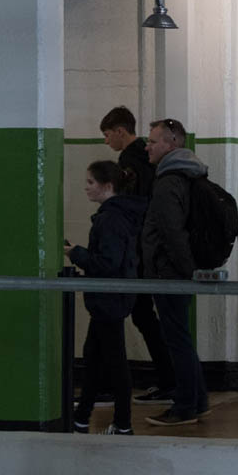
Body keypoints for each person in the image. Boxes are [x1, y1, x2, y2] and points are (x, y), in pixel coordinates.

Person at [100, 106, 176, 405]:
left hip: (137, 248)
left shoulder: (129, 159)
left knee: (139, 315)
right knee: (148, 317)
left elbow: (130, 204)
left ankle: (166, 381)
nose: (107, 142)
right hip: (152, 246)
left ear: (121, 131)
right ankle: (169, 380)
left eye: (108, 135)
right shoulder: (149, 159)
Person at [65, 161, 147, 435]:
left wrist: (76, 253)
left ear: (107, 186)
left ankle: (122, 423)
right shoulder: (118, 215)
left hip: (109, 298)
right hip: (112, 298)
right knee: (95, 356)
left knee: (112, 362)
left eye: (90, 182)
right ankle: (82, 416)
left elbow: (107, 263)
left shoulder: (110, 218)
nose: (85, 187)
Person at [141, 118, 210, 427]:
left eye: (153, 141)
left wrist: (183, 272)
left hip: (169, 273)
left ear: (171, 144)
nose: (147, 146)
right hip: (177, 272)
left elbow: (171, 232)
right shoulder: (187, 175)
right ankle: (198, 400)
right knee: (181, 337)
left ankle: (184, 407)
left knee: (176, 339)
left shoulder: (168, 181)